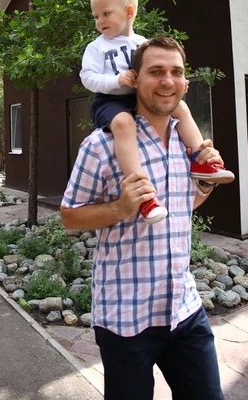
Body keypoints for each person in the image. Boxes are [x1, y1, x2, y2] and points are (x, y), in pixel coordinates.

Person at [61, 37, 225, 400]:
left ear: (185, 83)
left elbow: (185, 207)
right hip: (125, 317)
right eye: (156, 72)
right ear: (135, 79)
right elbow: (70, 216)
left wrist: (205, 185)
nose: (167, 81)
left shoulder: (189, 147)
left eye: (176, 73)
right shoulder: (101, 145)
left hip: (184, 309)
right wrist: (121, 208)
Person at [80, 0, 234, 225]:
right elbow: (87, 78)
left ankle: (201, 161)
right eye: (96, 16)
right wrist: (116, 80)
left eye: (105, 14)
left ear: (129, 12)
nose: (99, 22)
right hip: (110, 101)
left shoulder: (142, 43)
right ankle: (144, 195)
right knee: (124, 125)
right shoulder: (97, 47)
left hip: (137, 98)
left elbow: (162, 72)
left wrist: (177, 83)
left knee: (181, 107)